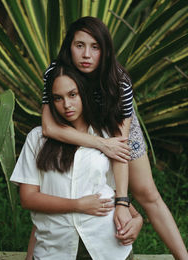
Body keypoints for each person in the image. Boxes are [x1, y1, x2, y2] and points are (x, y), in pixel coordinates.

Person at [41, 16, 188, 260]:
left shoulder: (119, 81)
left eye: (95, 47)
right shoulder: (55, 73)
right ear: (69, 47)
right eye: (79, 45)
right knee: (64, 183)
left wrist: (122, 201)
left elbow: (119, 145)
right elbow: (49, 127)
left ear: (105, 50)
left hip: (118, 129)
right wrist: (101, 144)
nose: (86, 54)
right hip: (75, 126)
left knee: (148, 193)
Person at [10, 65, 143, 260]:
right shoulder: (37, 139)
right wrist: (78, 205)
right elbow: (28, 198)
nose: (66, 105)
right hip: (55, 250)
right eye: (58, 98)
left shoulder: (106, 138)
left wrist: (137, 218)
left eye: (73, 95)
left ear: (85, 94)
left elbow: (109, 190)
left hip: (107, 246)